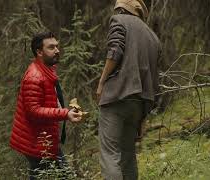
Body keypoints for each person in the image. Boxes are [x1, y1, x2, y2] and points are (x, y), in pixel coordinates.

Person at [96, 0, 162, 179]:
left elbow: (115, 51)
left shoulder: (119, 20)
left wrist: (102, 82)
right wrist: (144, 114)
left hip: (116, 97)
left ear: (121, 9)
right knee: (128, 156)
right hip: (140, 103)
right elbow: (155, 78)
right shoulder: (152, 36)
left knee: (110, 156)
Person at [9, 32, 82, 179]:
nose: (57, 50)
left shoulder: (47, 69)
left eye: (57, 46)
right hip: (37, 143)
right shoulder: (34, 77)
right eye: (51, 47)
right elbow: (33, 111)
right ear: (39, 52)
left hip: (45, 140)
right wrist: (65, 114)